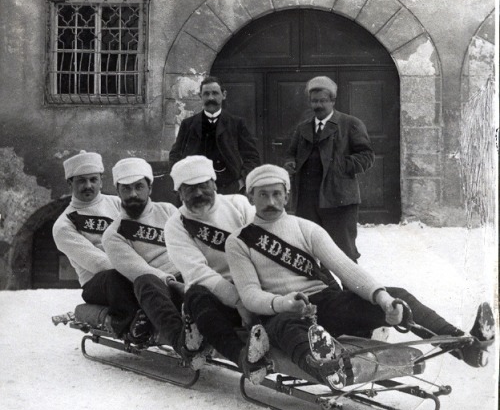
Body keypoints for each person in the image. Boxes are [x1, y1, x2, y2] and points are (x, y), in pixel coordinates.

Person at [225, 164, 495, 388]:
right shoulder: (239, 242)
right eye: (263, 195)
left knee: (397, 295)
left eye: (276, 194)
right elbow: (250, 295)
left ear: (286, 195)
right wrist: (284, 303)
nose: (271, 202)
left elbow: (347, 269)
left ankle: (463, 344)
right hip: (278, 313)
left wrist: (383, 299)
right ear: (251, 198)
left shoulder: (306, 228)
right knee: (288, 326)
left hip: (324, 304)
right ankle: (328, 368)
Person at [164, 155, 269, 382]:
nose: (199, 193)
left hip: (254, 286)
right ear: (179, 194)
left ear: (214, 183)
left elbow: (262, 247)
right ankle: (242, 357)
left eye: (204, 185)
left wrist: (252, 296)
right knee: (196, 296)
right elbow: (199, 273)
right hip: (217, 297)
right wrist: (240, 302)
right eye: (190, 189)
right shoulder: (175, 225)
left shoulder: (238, 205)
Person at [101, 157, 205, 365]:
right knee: (144, 280)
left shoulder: (168, 211)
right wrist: (175, 284)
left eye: (139, 186)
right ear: (117, 191)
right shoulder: (113, 234)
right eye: (126, 188)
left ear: (150, 187)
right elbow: (138, 269)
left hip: (190, 277)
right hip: (161, 292)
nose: (133, 194)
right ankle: (183, 344)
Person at [284, 76, 375, 262]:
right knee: (309, 252)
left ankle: (351, 291)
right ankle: (323, 291)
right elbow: (290, 154)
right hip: (307, 202)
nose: (318, 105)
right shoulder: (303, 128)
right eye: (314, 101)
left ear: (333, 101)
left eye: (323, 100)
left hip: (339, 200)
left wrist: (339, 165)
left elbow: (367, 156)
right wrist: (290, 163)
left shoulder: (351, 124)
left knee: (344, 253)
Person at [52, 151, 142, 338]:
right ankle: (127, 324)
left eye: (93, 179)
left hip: (133, 269)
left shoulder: (118, 204)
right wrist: (142, 271)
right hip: (99, 283)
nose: (88, 186)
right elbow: (98, 263)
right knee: (113, 277)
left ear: (101, 181)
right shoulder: (64, 225)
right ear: (70, 183)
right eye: (81, 181)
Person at [169, 76, 261, 195]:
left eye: (215, 93)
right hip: (196, 190)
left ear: (224, 95)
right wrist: (182, 183)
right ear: (200, 96)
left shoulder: (236, 124)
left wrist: (242, 182)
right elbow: (175, 155)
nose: (210, 98)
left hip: (230, 190)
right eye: (206, 94)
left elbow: (252, 157)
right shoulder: (188, 124)